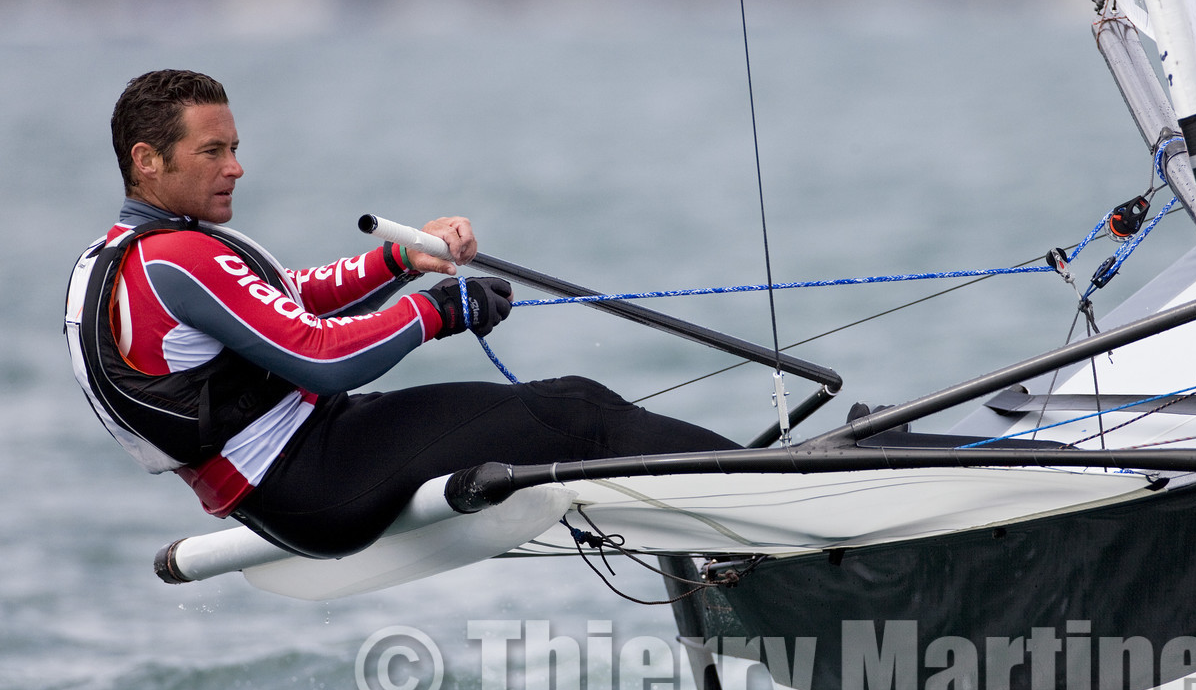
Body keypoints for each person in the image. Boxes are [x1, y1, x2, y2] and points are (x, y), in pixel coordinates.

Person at [66, 69, 737, 559]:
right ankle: (764, 494)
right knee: (576, 412)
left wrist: (401, 260)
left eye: (235, 148)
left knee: (570, 413)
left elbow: (287, 298)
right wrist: (440, 311)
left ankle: (722, 519)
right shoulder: (176, 256)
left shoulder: (117, 258)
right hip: (311, 476)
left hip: (289, 478)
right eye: (212, 151)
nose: (235, 168)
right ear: (147, 161)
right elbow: (318, 357)